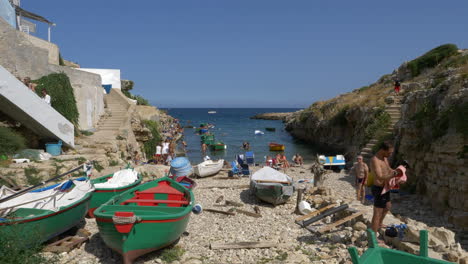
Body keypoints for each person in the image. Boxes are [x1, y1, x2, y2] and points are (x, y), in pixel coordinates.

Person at [370, 141, 397, 235]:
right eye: (389, 152)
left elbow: (389, 170)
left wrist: (397, 172)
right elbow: (379, 176)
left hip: (385, 188)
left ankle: (380, 223)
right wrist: (393, 175)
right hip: (378, 188)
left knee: (388, 206)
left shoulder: (384, 158)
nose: (390, 154)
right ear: (382, 150)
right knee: (377, 212)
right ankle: (373, 237)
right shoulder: (375, 160)